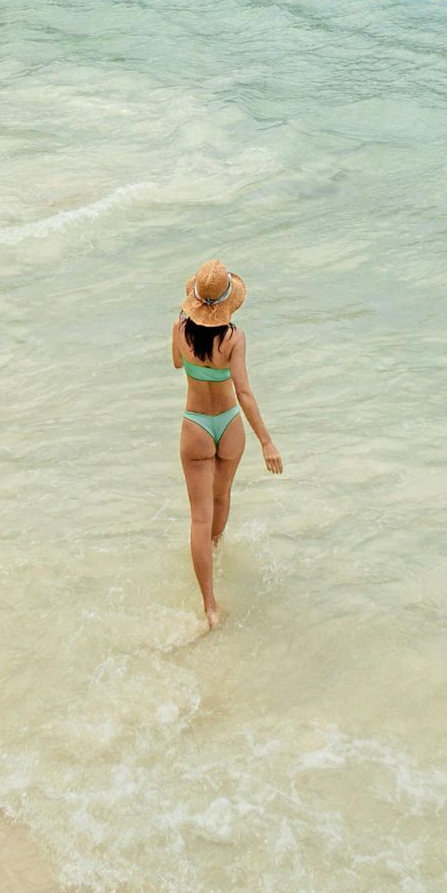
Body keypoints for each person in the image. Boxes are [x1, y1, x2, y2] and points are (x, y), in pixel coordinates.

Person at [172, 257, 282, 627]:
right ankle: (215, 552)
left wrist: (184, 325)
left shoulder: (179, 329)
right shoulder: (234, 337)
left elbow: (176, 363)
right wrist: (267, 442)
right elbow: (245, 393)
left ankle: (209, 605)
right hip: (229, 424)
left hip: (196, 426)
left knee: (199, 518)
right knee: (221, 498)